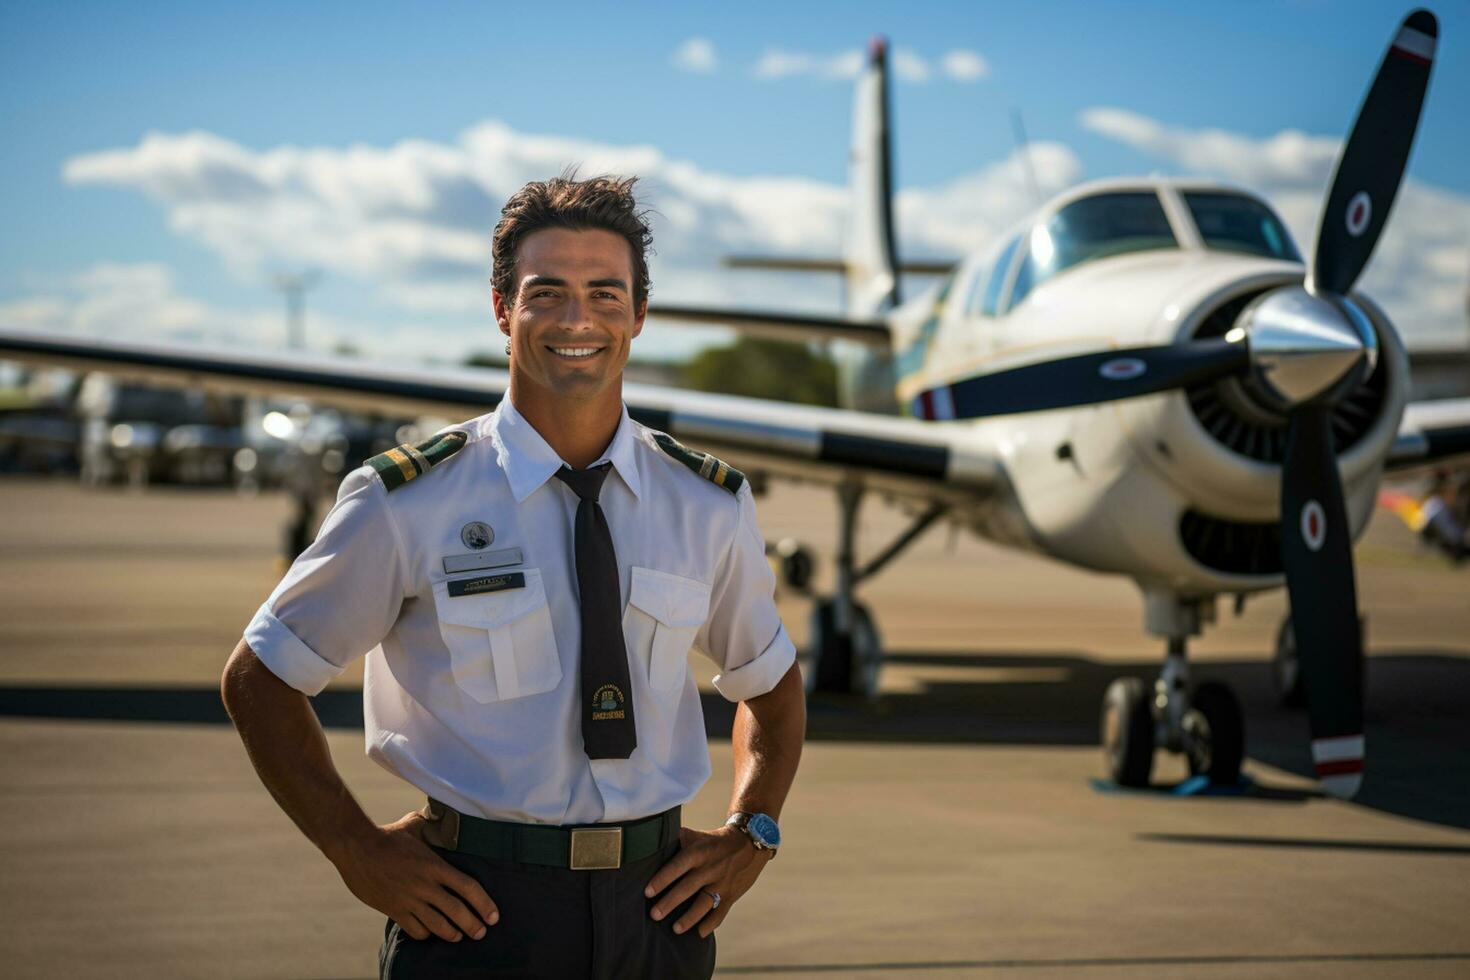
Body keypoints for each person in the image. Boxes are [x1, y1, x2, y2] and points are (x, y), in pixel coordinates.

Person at [220, 174, 806, 979]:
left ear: (639, 314)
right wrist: (354, 850)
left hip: (659, 919)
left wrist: (752, 834)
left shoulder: (706, 502)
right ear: (504, 310)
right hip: (475, 919)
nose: (578, 320)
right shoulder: (408, 501)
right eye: (548, 293)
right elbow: (260, 679)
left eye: (606, 294)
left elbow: (771, 688)